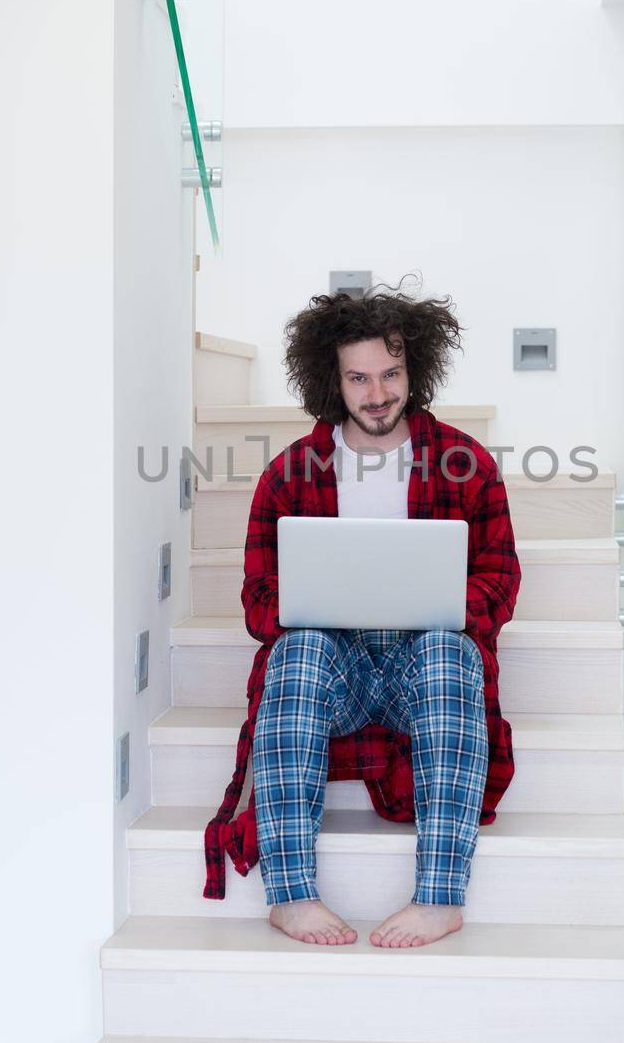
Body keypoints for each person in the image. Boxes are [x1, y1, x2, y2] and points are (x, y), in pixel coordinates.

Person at [201, 285, 521, 949]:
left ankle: (439, 897)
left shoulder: (466, 465)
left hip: (419, 673)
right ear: (332, 379)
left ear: (414, 370)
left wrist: (438, 611)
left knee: (449, 652)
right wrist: (308, 613)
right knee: (295, 653)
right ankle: (289, 896)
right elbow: (257, 602)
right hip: (335, 675)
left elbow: (500, 579)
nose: (377, 392)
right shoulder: (291, 473)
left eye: (391, 373)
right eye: (358, 377)